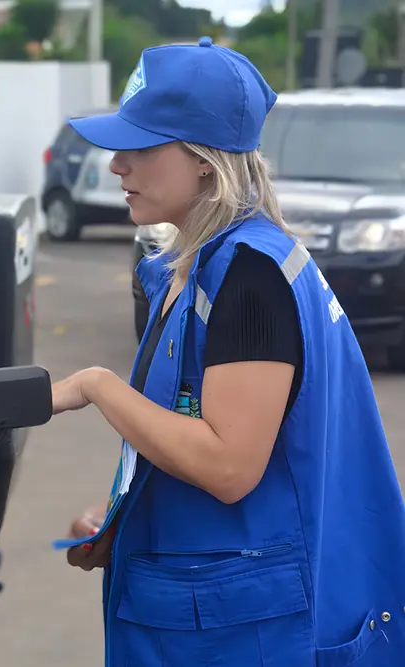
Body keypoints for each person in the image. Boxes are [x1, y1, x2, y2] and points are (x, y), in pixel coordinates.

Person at [51, 37, 405, 666]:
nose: (116, 166)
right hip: (206, 615)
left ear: (205, 162)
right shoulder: (196, 268)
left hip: (245, 635)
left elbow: (228, 465)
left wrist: (100, 387)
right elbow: (185, 426)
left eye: (141, 146)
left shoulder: (250, 278)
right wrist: (125, 517)